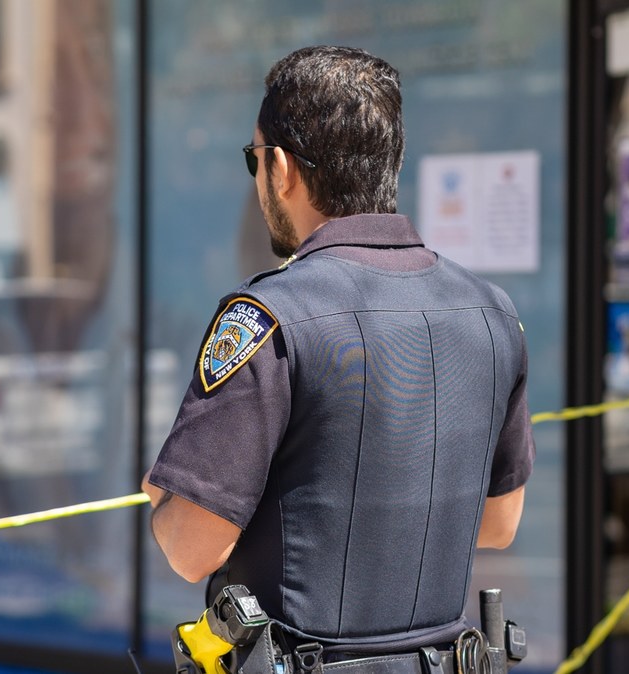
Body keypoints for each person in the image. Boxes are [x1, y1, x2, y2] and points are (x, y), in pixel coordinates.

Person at [141, 45, 535, 667]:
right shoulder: (492, 312)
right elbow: (498, 524)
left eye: (254, 159)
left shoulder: (266, 317)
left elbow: (191, 549)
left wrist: (164, 500)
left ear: (282, 168)